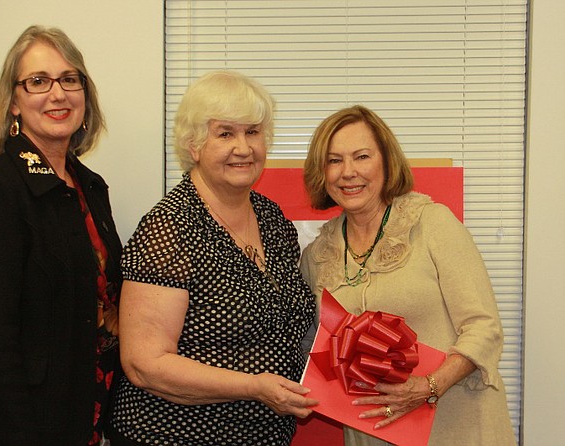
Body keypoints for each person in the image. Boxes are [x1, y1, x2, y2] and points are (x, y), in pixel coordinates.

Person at [107, 70, 317, 446]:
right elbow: (145, 364)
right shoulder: (170, 228)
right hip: (171, 436)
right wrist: (254, 387)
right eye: (225, 133)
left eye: (253, 132)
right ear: (194, 145)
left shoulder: (272, 219)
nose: (243, 147)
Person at [0, 26, 122, 446]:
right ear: (13, 103)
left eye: (69, 79)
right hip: (24, 425)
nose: (57, 94)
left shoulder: (90, 186)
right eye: (38, 81)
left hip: (86, 408)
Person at [300, 105, 516, 445]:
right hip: (370, 431)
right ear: (321, 172)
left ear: (386, 162)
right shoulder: (318, 255)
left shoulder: (432, 224)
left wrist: (429, 386)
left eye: (361, 156)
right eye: (334, 160)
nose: (348, 172)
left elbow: (484, 328)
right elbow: (316, 348)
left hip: (455, 424)